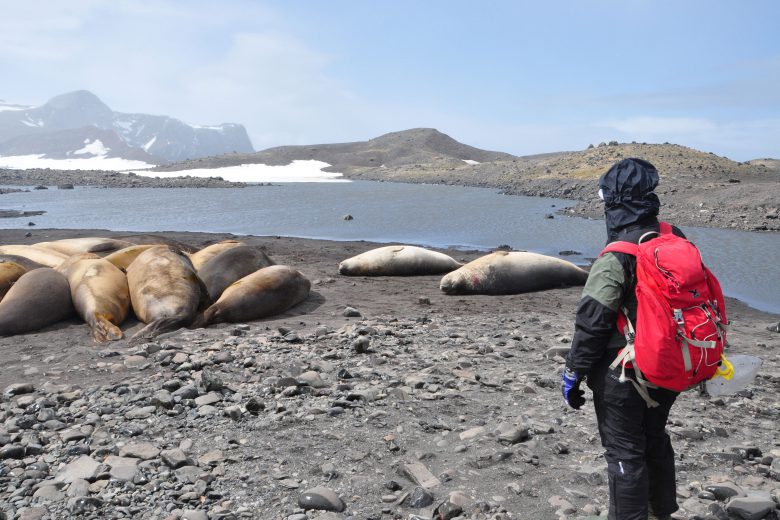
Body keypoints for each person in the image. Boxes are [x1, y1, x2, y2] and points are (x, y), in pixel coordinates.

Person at [562, 158, 684, 520]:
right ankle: (660, 511)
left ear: (613, 201)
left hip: (626, 372)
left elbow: (592, 322)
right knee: (655, 437)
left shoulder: (617, 255)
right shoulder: (673, 236)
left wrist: (573, 373)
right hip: (670, 363)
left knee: (624, 450)